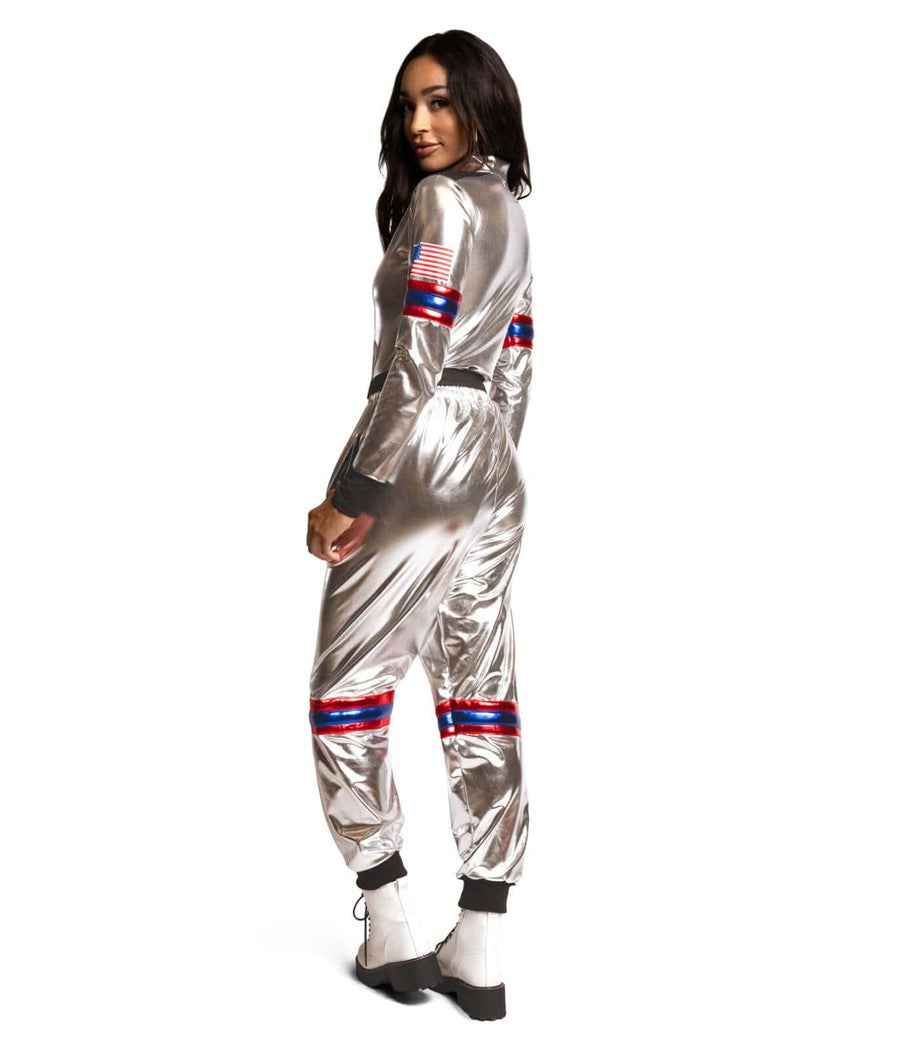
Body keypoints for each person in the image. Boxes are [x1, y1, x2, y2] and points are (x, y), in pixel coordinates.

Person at [305, 29, 534, 1022]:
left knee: (345, 692)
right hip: (491, 461)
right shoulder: (511, 211)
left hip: (424, 448)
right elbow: (515, 359)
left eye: (440, 101)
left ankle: (389, 917)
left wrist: (355, 489)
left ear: (483, 100)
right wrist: (487, 468)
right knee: (476, 687)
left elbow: (415, 360)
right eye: (409, 106)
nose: (419, 123)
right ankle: (481, 937)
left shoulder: (440, 206)